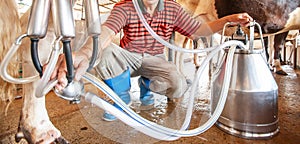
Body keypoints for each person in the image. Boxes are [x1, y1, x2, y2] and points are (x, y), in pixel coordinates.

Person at [51, 0, 253, 121]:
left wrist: (227, 20)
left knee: (178, 85)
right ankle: (120, 97)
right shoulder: (125, 6)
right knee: (104, 51)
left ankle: (148, 84)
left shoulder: (172, 9)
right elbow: (106, 32)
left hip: (155, 59)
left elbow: (198, 30)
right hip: (128, 58)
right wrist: (86, 53)